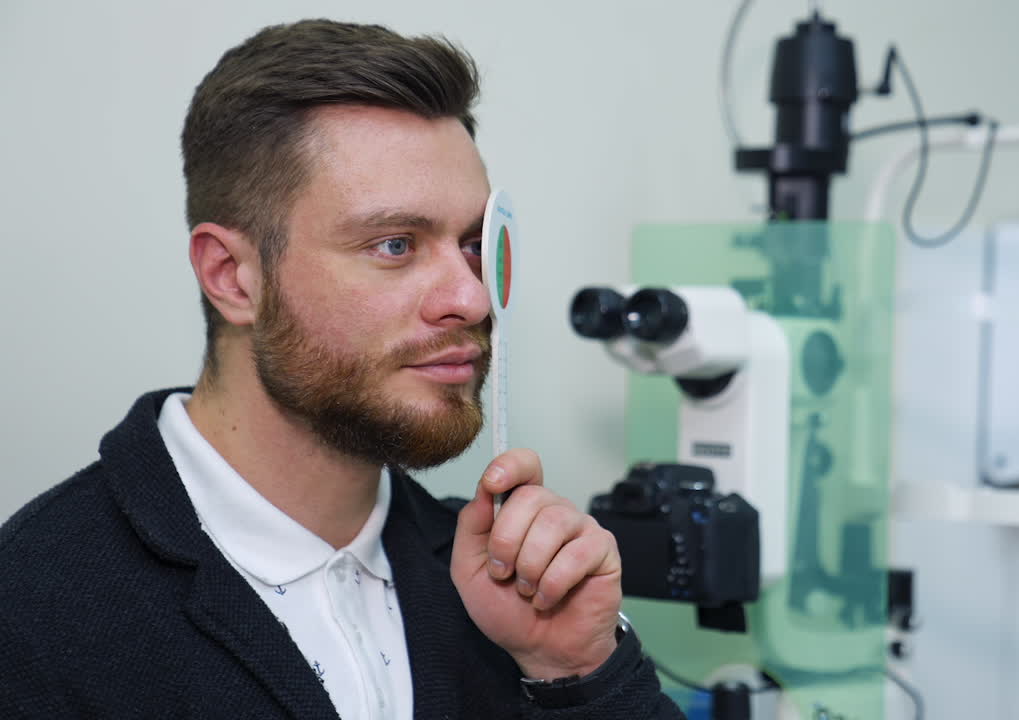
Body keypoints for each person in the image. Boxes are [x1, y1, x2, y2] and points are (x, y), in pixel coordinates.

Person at [0, 18, 683, 720]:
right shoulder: (33, 608)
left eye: (475, 244)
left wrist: (576, 673)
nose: (472, 297)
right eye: (395, 244)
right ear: (233, 276)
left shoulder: (499, 588)